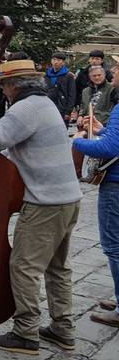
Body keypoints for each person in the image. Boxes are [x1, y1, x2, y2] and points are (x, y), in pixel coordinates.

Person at [0, 59, 83, 354]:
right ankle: (62, 329)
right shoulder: (44, 105)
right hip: (68, 197)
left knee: (24, 267)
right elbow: (18, 145)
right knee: (58, 268)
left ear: (13, 85)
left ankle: (26, 333)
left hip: (45, 202)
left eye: (3, 86)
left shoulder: (25, 108)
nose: (3, 92)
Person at [72, 104, 119, 327]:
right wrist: (101, 131)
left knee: (114, 246)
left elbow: (110, 148)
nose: (114, 73)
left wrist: (78, 141)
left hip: (116, 185)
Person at [44, 52, 76, 127]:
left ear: (63, 62)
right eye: (54, 59)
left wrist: (68, 111)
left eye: (59, 60)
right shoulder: (46, 75)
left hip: (62, 108)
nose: (56, 62)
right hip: (48, 107)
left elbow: (72, 94)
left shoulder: (68, 76)